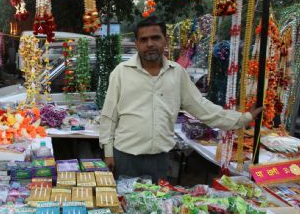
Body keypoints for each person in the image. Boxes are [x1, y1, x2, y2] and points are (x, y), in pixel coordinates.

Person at [99, 16, 261, 181]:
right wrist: (108, 153)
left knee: (157, 204)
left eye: (155, 38)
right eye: (144, 39)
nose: (150, 44)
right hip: (126, 157)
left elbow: (202, 108)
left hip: (159, 159)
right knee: (124, 203)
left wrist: (243, 118)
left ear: (165, 41)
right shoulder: (121, 72)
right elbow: (109, 116)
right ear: (137, 44)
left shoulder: (177, 73)